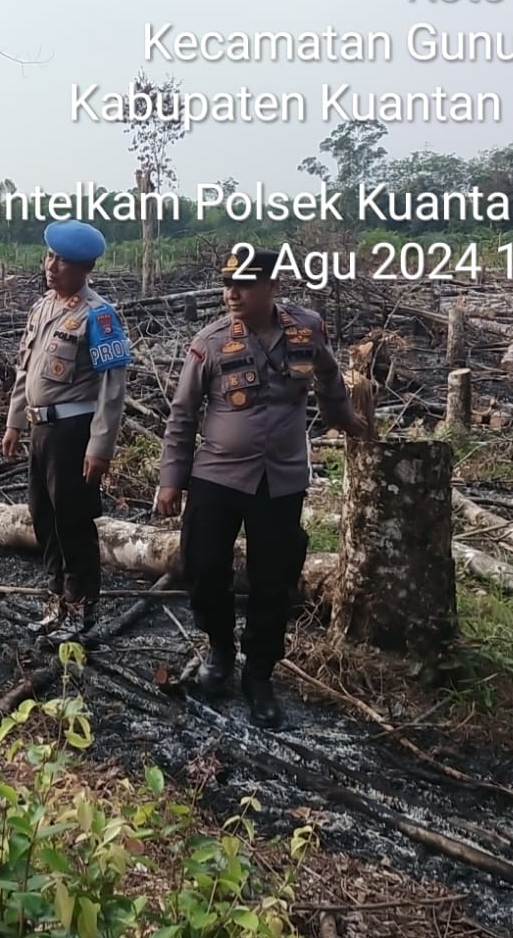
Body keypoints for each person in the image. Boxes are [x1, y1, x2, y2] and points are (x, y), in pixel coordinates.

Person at [154, 247, 367, 729]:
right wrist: (171, 480)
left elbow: (331, 377)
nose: (233, 294)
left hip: (282, 477)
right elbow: (184, 414)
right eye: (228, 285)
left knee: (275, 579)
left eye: (244, 285)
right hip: (217, 475)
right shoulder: (209, 343)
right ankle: (220, 649)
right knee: (203, 566)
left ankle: (260, 675)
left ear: (272, 286)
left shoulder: (305, 329)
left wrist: (345, 419)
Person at [1, 219, 130, 644]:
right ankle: (55, 602)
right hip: (41, 429)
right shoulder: (42, 308)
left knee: (73, 523)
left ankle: (81, 610)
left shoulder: (99, 316)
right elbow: (26, 370)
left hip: (74, 432)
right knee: (44, 517)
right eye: (50, 257)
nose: (53, 266)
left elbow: (113, 389)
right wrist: (14, 421)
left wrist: (100, 446)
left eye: (64, 261)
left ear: (86, 267)